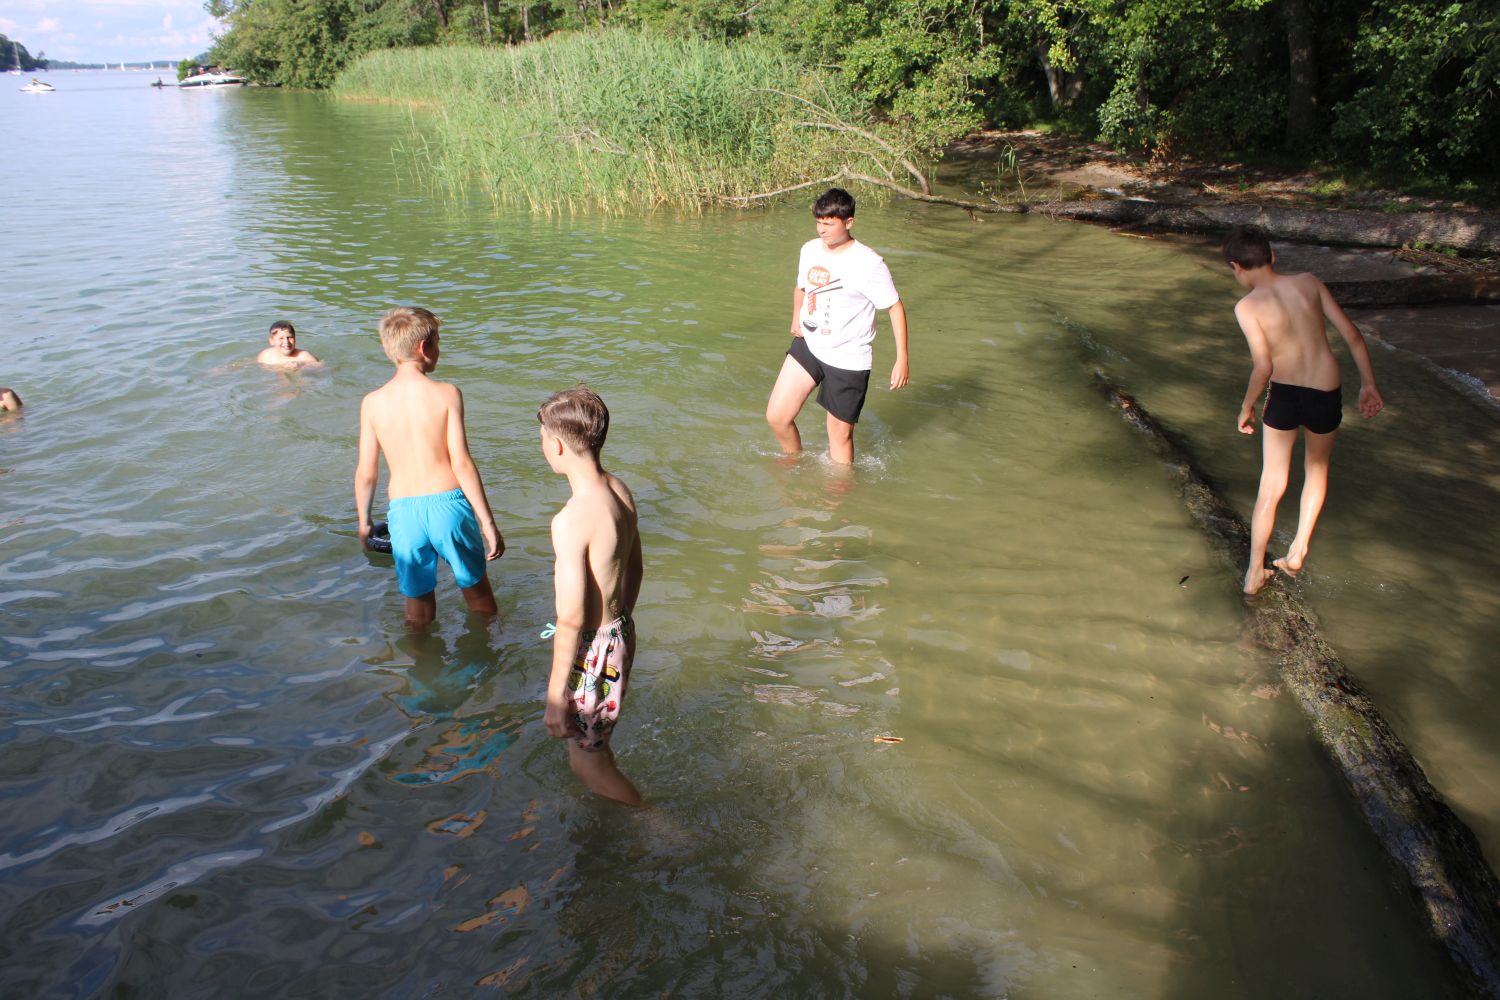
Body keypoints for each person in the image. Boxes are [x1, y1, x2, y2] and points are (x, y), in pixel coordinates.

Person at [1223, 226, 1384, 595]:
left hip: (1284, 394)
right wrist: (1369, 384)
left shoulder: (1247, 307)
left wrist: (1246, 406)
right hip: (1325, 390)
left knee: (1272, 481)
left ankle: (1254, 573)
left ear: (1236, 267)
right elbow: (1353, 335)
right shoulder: (1309, 282)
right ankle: (1298, 550)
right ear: (1273, 256)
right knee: (1317, 468)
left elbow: (1263, 367)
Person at [354, 306, 503, 626]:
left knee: (417, 610)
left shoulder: (372, 402)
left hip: (404, 512)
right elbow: (461, 462)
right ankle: (493, 651)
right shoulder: (447, 394)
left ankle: (418, 657)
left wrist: (364, 522)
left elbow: (367, 472)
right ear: (424, 347)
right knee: (479, 597)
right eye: (438, 342)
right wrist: (488, 522)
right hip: (448, 506)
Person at [538, 386, 644, 806]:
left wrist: (554, 697)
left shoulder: (570, 521)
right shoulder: (618, 489)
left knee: (586, 766)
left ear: (557, 445)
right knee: (593, 749)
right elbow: (635, 568)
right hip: (619, 633)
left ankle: (654, 826)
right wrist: (617, 629)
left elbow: (569, 618)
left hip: (593, 653)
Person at [765, 187, 910, 465]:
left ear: (849, 222)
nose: (822, 230)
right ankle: (794, 466)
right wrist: (796, 317)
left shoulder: (869, 263)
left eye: (829, 224)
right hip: (810, 344)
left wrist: (901, 358)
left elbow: (894, 307)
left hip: (848, 357)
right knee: (777, 417)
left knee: (839, 436)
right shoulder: (809, 249)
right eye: (818, 222)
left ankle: (840, 489)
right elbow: (801, 286)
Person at [256, 320, 322, 368]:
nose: (286, 342)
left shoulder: (302, 356)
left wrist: (300, 364)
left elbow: (320, 365)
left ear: (295, 338)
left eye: (289, 337)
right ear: (271, 341)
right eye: (281, 338)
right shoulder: (265, 356)